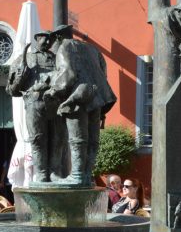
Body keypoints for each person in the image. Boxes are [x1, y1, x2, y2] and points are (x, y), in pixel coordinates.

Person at [45, 24, 117, 185]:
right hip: (97, 97)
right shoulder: (92, 48)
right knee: (92, 139)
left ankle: (76, 176)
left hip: (77, 98)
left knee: (78, 139)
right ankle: (86, 176)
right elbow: (103, 72)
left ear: (58, 37)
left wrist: (53, 91)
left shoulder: (65, 46)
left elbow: (67, 73)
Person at [7, 30, 67, 182]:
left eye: (50, 40)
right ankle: (41, 174)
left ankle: (55, 173)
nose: (47, 42)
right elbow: (12, 90)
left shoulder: (59, 59)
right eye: (44, 39)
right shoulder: (25, 58)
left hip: (56, 104)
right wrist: (21, 76)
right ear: (36, 38)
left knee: (58, 139)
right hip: (34, 103)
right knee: (37, 139)